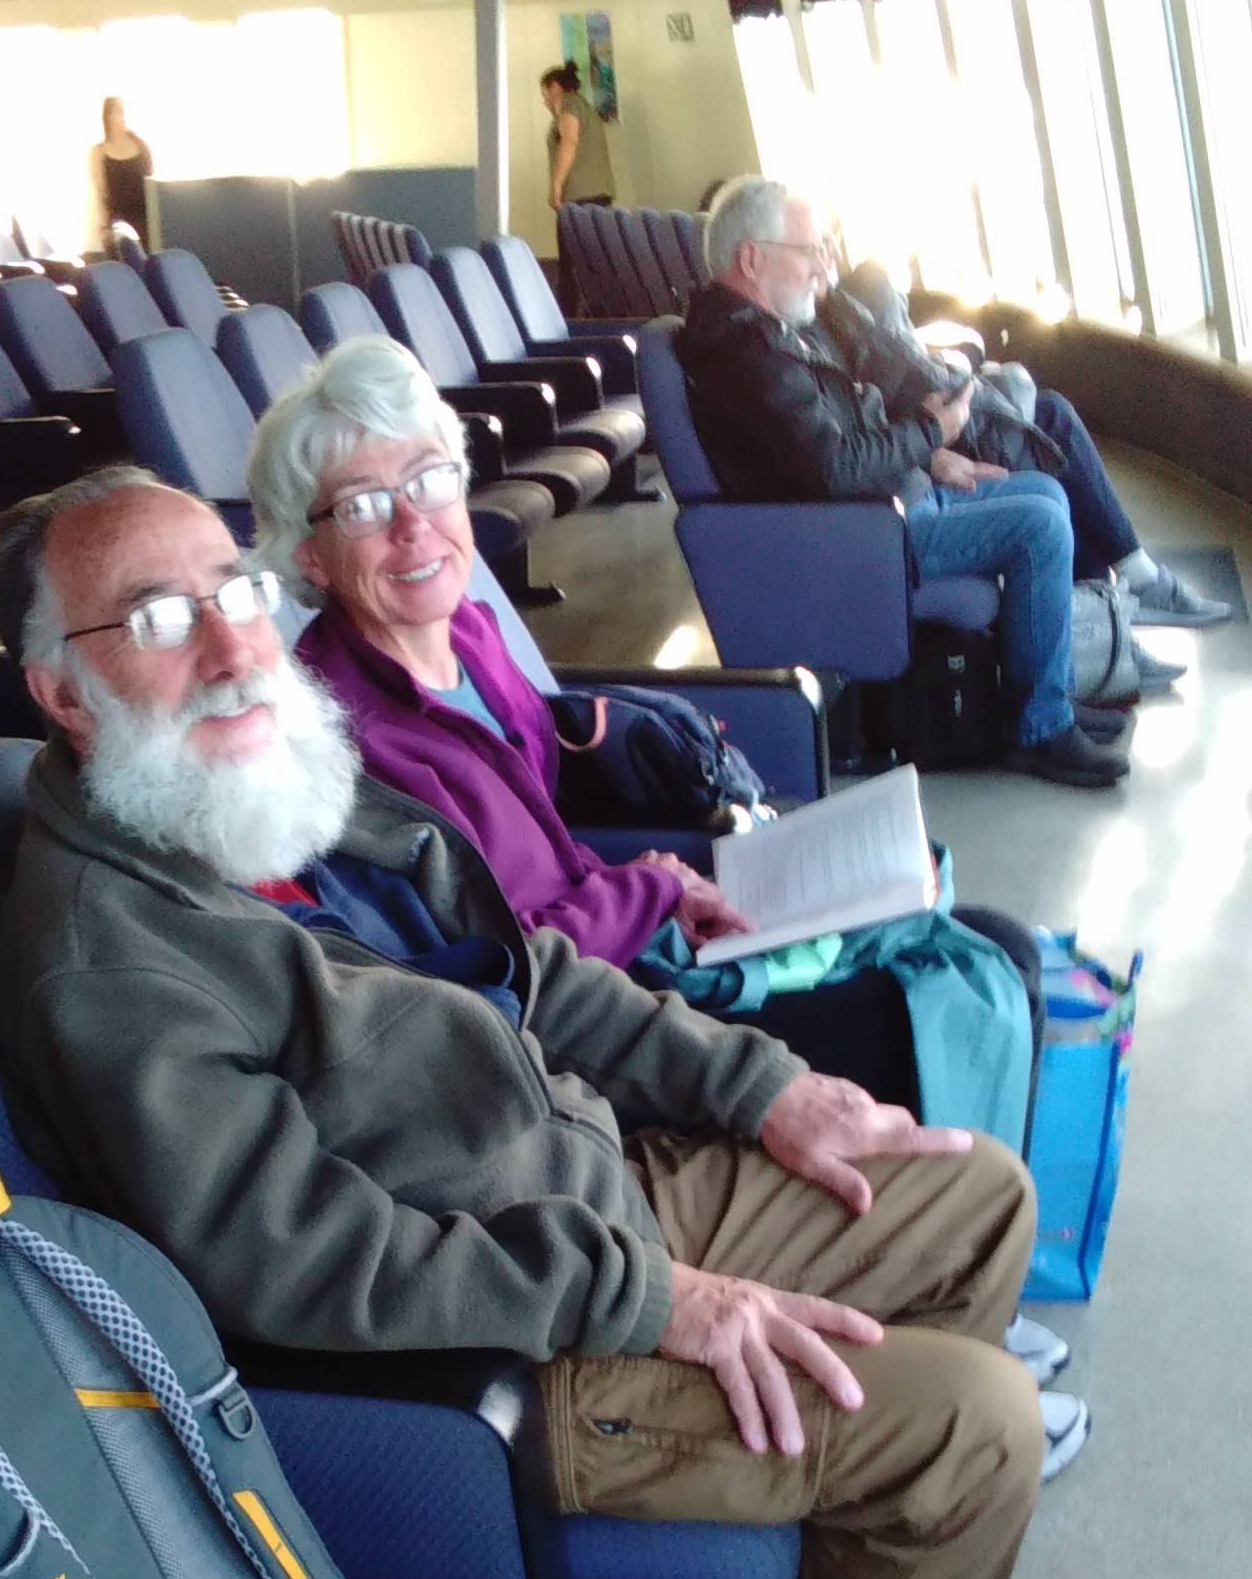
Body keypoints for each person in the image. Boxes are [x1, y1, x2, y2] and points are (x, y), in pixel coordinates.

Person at [0, 463, 1049, 1579]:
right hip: (497, 1342)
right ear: (63, 691)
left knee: (977, 1198)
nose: (235, 645)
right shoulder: (106, 960)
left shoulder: (273, 790)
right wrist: (654, 1298)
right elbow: (306, 1264)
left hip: (582, 1189)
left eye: (234, 590)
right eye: (160, 618)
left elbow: (529, 970)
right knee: (977, 1423)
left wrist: (763, 1087)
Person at [245, 331, 1088, 1480]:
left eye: (430, 478)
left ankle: (961, 1286)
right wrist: (650, 885)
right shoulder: (346, 744)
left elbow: (542, 807)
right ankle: (942, 1316)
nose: (413, 524)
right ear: (308, 551)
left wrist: (620, 785)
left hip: (632, 937)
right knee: (924, 1002)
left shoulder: (470, 631)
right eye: (363, 504)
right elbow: (497, 968)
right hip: (591, 1025)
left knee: (994, 942)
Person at [676, 176, 1131, 791]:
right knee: (1041, 525)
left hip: (881, 502)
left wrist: (933, 456)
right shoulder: (747, 354)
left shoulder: (766, 331)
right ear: (752, 259)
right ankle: (1041, 729)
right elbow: (834, 469)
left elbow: (835, 438)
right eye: (810, 252)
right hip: (856, 533)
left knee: (1045, 492)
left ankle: (1047, 697)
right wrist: (931, 430)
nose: (824, 268)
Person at [832, 256, 1228, 632]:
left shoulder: (829, 321)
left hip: (914, 447)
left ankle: (1108, 603)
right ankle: (1122, 589)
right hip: (911, 468)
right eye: (813, 250)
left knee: (1049, 420)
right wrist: (928, 448)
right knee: (1048, 436)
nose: (825, 258)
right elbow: (847, 450)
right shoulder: (848, 306)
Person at [541, 60, 612, 313]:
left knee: (571, 265)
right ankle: (597, 314)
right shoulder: (583, 106)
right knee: (592, 261)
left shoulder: (569, 103)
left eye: (544, 94)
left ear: (555, 87)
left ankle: (567, 318)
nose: (544, 102)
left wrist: (555, 187)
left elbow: (569, 142)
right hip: (596, 194)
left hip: (580, 197)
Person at [89, 96, 153, 253]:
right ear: (105, 117)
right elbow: (100, 192)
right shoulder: (99, 152)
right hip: (118, 220)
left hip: (145, 217)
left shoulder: (140, 144)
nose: (116, 117)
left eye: (120, 112)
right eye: (112, 113)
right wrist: (104, 226)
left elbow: (151, 180)